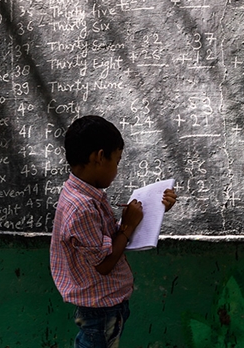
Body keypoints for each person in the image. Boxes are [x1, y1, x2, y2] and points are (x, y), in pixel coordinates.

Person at [50, 115, 176, 347]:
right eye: (116, 161)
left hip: (104, 306)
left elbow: (109, 241)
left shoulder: (85, 195)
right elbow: (105, 264)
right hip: (101, 308)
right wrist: (127, 226)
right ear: (99, 157)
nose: (117, 169)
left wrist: (153, 211)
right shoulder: (82, 207)